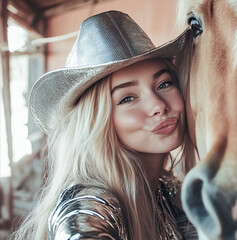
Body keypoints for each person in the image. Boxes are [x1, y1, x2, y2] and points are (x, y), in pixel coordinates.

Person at [12, 10, 197, 240]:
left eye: (164, 84)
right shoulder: (86, 206)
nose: (158, 105)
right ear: (95, 121)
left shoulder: (170, 188)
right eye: (127, 98)